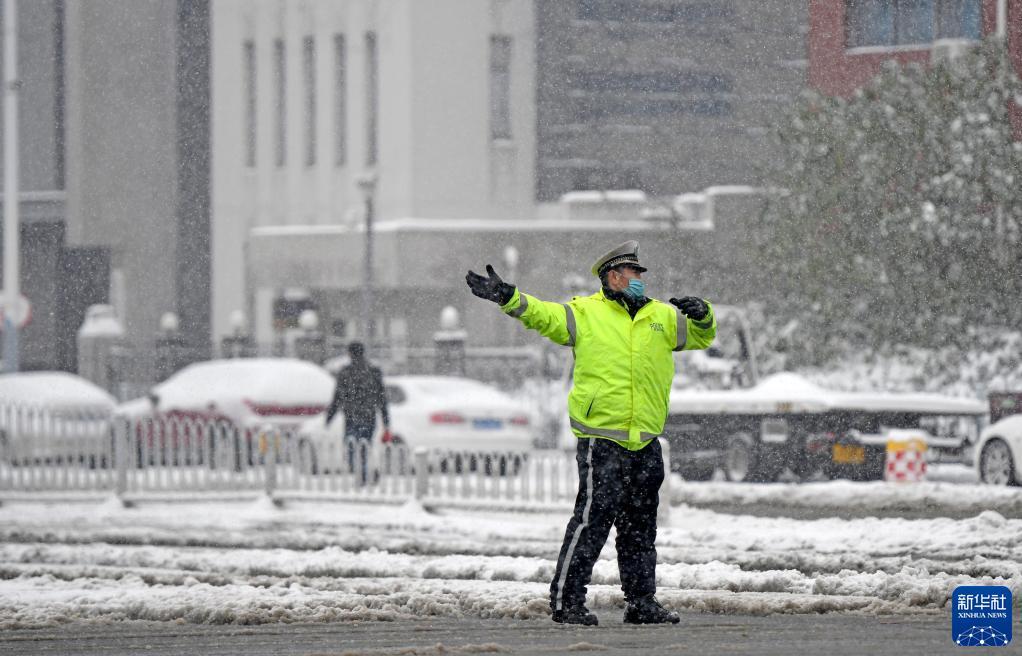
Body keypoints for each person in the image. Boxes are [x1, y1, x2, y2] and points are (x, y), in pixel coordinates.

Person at [466, 241, 716, 626]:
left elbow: (701, 336)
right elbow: (542, 315)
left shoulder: (661, 317)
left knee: (640, 528)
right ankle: (567, 601)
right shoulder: (585, 313)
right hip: (602, 439)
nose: (639, 281)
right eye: (634, 274)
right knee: (591, 522)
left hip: (645, 440)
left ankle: (641, 603)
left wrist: (703, 315)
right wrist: (508, 297)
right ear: (614, 277)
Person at [325, 341, 391, 485]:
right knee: (365, 447)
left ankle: (363, 474)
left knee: (352, 449)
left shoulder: (345, 373)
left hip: (352, 417)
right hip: (368, 416)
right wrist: (386, 422)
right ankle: (366, 474)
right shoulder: (373, 371)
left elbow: (337, 397)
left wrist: (329, 417)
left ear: (349, 354)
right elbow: (382, 398)